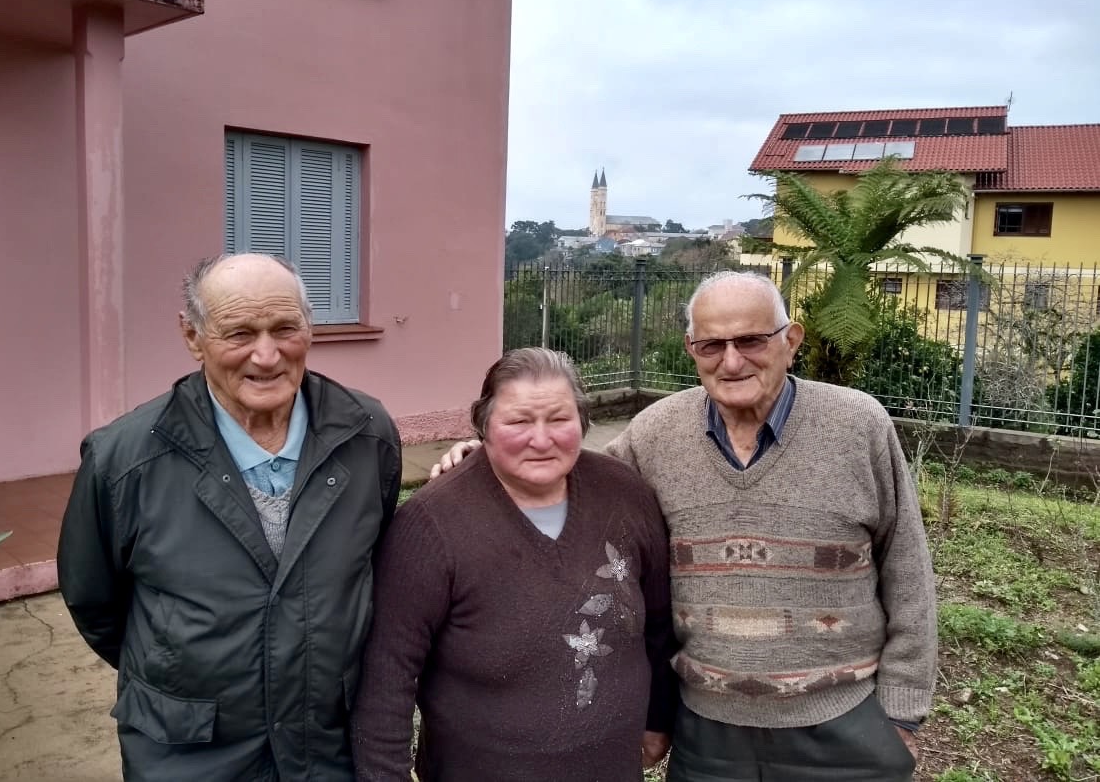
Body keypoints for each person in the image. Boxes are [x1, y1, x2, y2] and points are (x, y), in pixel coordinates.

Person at [432, 272, 937, 782]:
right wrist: (489, 458)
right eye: (712, 344)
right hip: (707, 732)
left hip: (842, 725)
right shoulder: (656, 433)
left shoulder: (857, 424)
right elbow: (569, 476)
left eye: (751, 340)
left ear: (792, 340)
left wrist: (901, 713)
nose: (732, 360)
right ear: (690, 349)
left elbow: (908, 571)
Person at [57, 253, 402, 782]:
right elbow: (96, 603)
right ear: (192, 336)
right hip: (190, 755)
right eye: (239, 333)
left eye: (286, 328)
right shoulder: (123, 460)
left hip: (329, 747)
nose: (266, 356)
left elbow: (377, 566)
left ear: (309, 328)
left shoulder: (366, 433)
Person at [351, 348, 677, 781]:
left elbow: (659, 624)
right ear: (484, 426)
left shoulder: (625, 495)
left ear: (583, 421)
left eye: (559, 419)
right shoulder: (430, 526)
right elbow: (386, 679)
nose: (541, 440)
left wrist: (658, 719)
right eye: (519, 421)